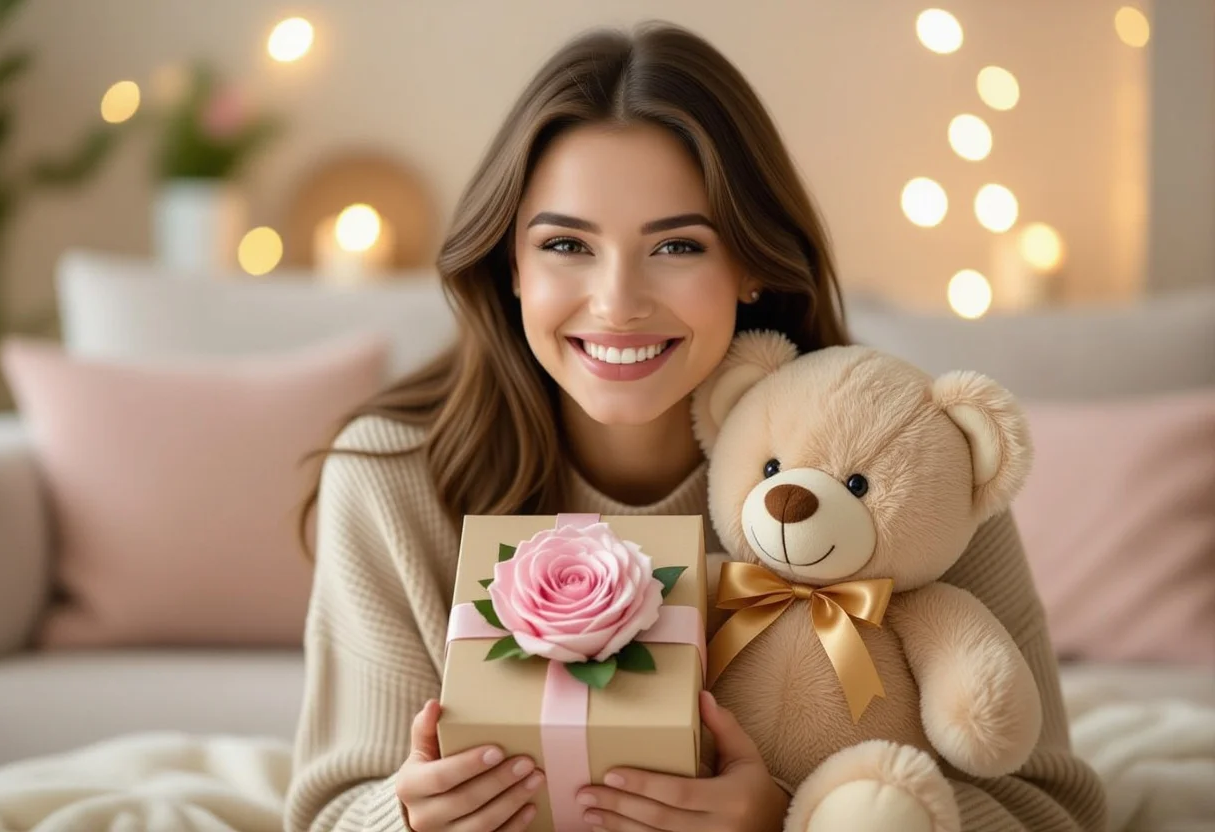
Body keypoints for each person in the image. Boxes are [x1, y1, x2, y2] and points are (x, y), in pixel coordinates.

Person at [284, 21, 1107, 832]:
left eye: (676, 247)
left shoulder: (910, 464)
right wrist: (408, 818)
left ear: (750, 262)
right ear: (511, 266)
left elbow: (1051, 808)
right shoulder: (390, 477)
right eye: (567, 244)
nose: (617, 303)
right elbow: (329, 811)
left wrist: (790, 820)